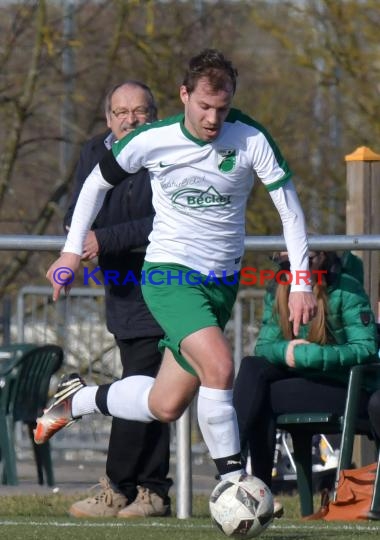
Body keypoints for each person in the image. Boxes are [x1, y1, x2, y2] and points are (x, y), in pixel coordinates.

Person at [35, 48, 317, 488]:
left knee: (164, 403)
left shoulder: (250, 139)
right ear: (184, 95)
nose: (212, 119)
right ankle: (234, 485)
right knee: (220, 366)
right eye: (204, 106)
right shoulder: (153, 139)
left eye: (221, 109)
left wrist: (302, 281)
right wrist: (72, 251)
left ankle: (79, 400)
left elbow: (290, 211)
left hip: (220, 283)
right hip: (169, 275)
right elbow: (95, 183)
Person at [64, 81, 172, 518]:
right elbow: (77, 215)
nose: (130, 119)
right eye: (121, 111)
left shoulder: (167, 151)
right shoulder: (94, 152)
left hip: (161, 278)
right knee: (145, 384)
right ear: (109, 118)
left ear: (155, 114)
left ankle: (121, 488)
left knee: (141, 381)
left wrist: (104, 237)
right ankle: (150, 489)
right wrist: (81, 245)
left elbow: (164, 219)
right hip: (120, 284)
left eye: (140, 111)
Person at [233, 249, 380, 494]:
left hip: (345, 387)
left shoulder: (346, 288)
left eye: (307, 260)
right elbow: (264, 345)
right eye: (288, 261)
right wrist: (286, 352)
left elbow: (366, 348)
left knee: (263, 397)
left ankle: (254, 487)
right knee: (252, 368)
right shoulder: (278, 289)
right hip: (301, 383)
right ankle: (239, 470)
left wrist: (308, 356)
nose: (297, 267)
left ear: (324, 258)